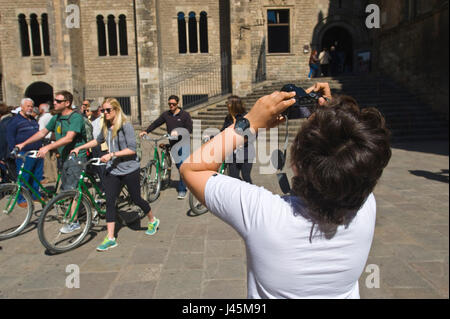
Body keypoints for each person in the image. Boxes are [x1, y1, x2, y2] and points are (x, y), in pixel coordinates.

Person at [180, 83, 392, 298]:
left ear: (295, 165)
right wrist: (329, 115)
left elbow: (192, 169)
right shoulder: (365, 206)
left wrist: (250, 123)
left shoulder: (265, 216)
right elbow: (355, 157)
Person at [71, 98, 159, 251]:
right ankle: (111, 237)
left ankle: (152, 219)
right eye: (103, 110)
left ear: (116, 110)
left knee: (136, 199)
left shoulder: (126, 126)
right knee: (110, 201)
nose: (104, 113)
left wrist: (111, 155)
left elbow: (131, 149)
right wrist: (80, 148)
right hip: (113, 170)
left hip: (129, 169)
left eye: (107, 110)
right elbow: (97, 141)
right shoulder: (106, 126)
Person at [15, 91, 88, 228]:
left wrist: (48, 147)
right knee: (67, 188)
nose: (54, 103)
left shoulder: (75, 117)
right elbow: (42, 132)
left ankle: (74, 222)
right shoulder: (57, 117)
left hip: (77, 157)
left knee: (72, 189)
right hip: (65, 156)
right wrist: (23, 144)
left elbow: (69, 138)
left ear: (67, 103)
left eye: (58, 101)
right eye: (54, 100)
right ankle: (81, 210)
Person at [140, 95, 193, 199]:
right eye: (169, 104)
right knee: (179, 166)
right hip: (173, 144)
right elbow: (156, 123)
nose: (171, 106)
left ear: (178, 104)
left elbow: (189, 129)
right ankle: (185, 180)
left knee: (182, 167)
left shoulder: (185, 115)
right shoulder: (166, 115)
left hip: (183, 143)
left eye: (173, 104)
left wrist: (179, 132)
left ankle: (182, 189)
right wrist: (146, 131)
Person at [6, 98, 43, 207]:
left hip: (37, 152)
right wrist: (15, 151)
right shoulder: (15, 121)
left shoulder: (33, 119)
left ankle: (35, 195)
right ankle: (21, 198)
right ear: (21, 107)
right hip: (24, 153)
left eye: (31, 106)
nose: (30, 108)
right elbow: (10, 137)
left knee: (37, 176)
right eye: (28, 106)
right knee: (24, 177)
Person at [220, 95, 254, 184]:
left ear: (234, 105)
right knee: (233, 178)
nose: (227, 105)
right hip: (232, 155)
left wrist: (242, 139)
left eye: (228, 103)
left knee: (246, 177)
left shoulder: (246, 118)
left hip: (246, 153)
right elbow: (223, 132)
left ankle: (250, 195)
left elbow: (253, 134)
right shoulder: (228, 118)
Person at [38, 102, 57, 184]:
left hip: (47, 141)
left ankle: (49, 177)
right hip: (54, 140)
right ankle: (55, 176)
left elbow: (41, 131)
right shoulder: (52, 116)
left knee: (47, 160)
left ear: (42, 110)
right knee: (54, 159)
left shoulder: (42, 118)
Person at [0, 103, 15, 183]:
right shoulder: (14, 119)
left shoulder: (2, 124)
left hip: (9, 153)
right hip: (18, 151)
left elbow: (3, 142)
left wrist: (1, 157)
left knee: (14, 176)